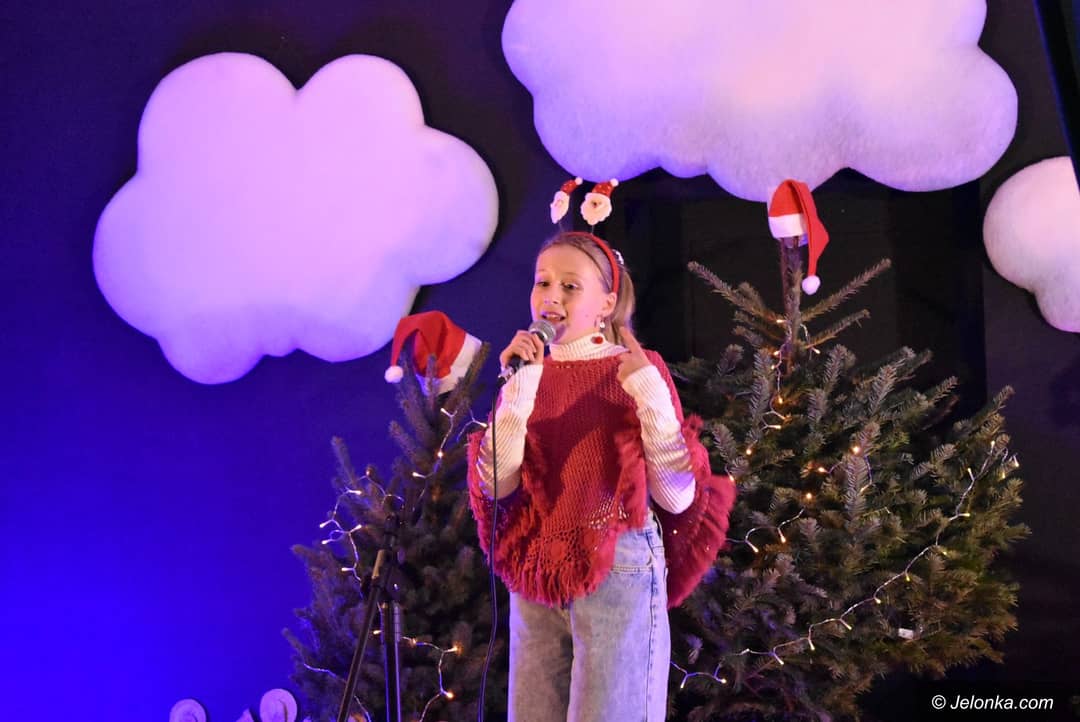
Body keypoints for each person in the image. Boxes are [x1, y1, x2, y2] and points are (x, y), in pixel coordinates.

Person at [466, 189, 736, 721]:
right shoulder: (526, 372)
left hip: (617, 561)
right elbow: (497, 487)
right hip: (537, 568)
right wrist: (519, 390)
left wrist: (649, 394)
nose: (552, 296)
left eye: (570, 286)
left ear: (606, 304)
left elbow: (677, 497)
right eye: (543, 282)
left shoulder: (635, 367)